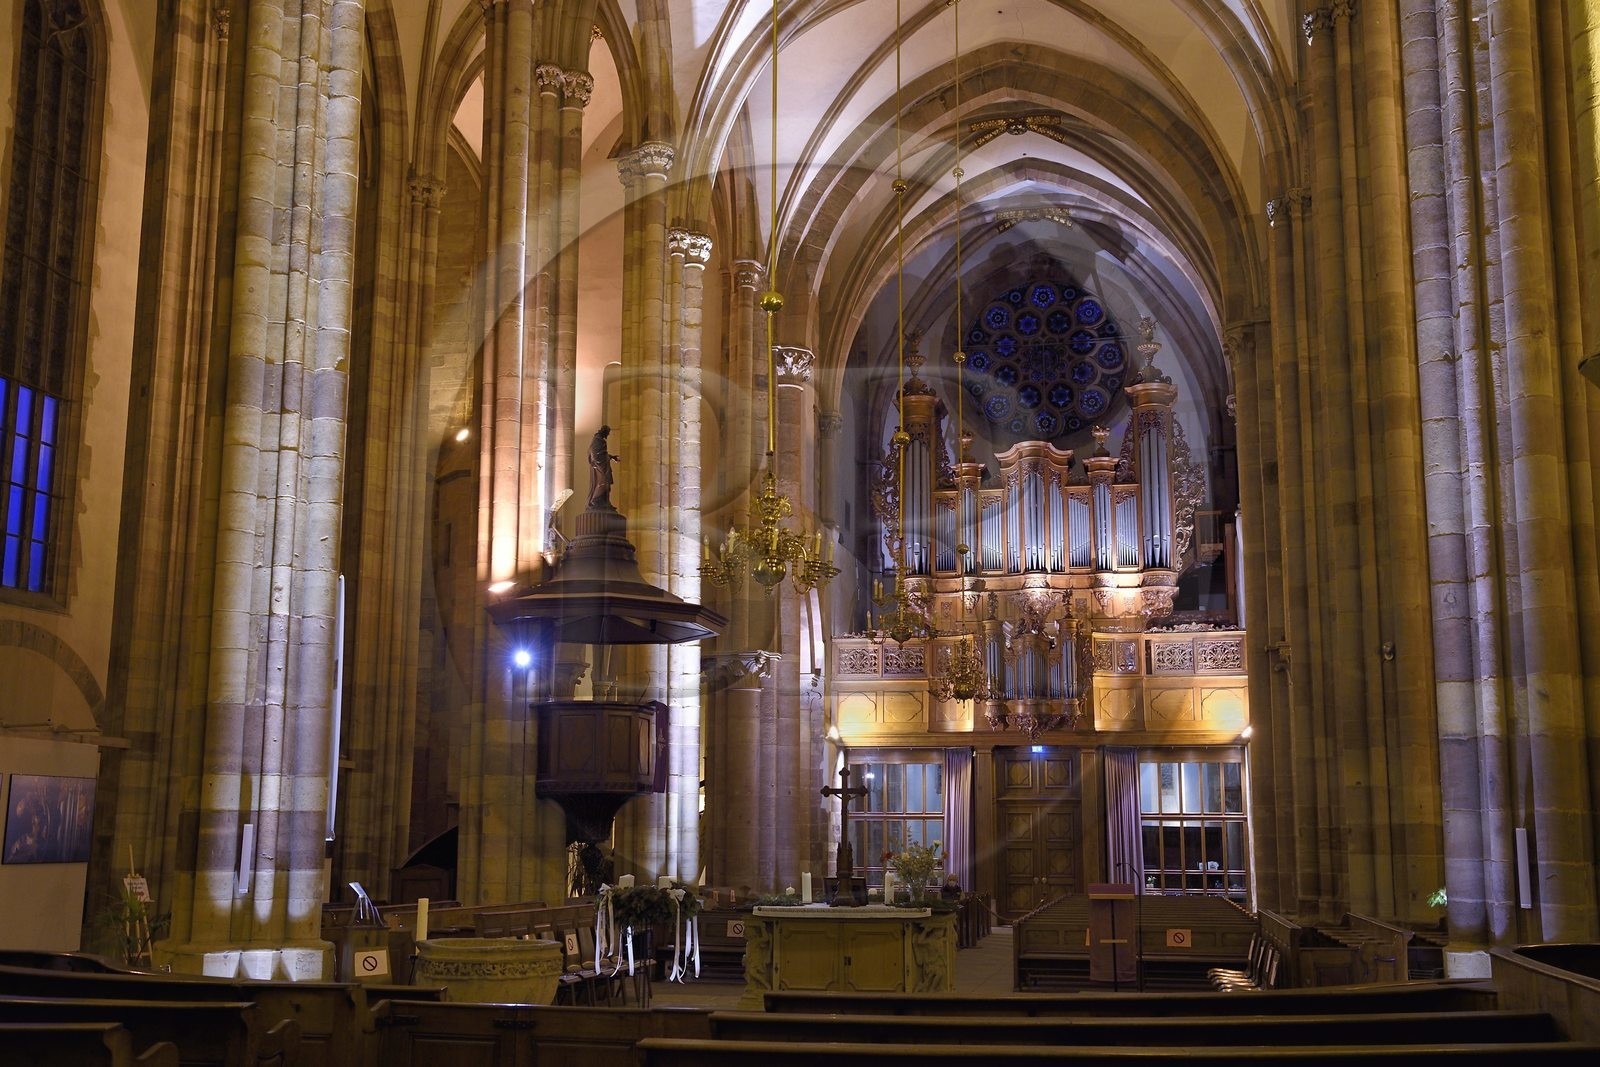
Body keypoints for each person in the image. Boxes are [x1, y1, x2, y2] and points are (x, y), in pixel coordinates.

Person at [588, 425, 619, 508]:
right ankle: (595, 501)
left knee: (607, 484)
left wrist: (612, 457)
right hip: (600, 467)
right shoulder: (597, 440)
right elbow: (595, 455)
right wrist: (602, 462)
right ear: (604, 432)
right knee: (603, 483)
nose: (608, 435)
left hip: (604, 465)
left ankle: (605, 502)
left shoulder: (600, 440)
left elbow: (602, 453)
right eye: (607, 433)